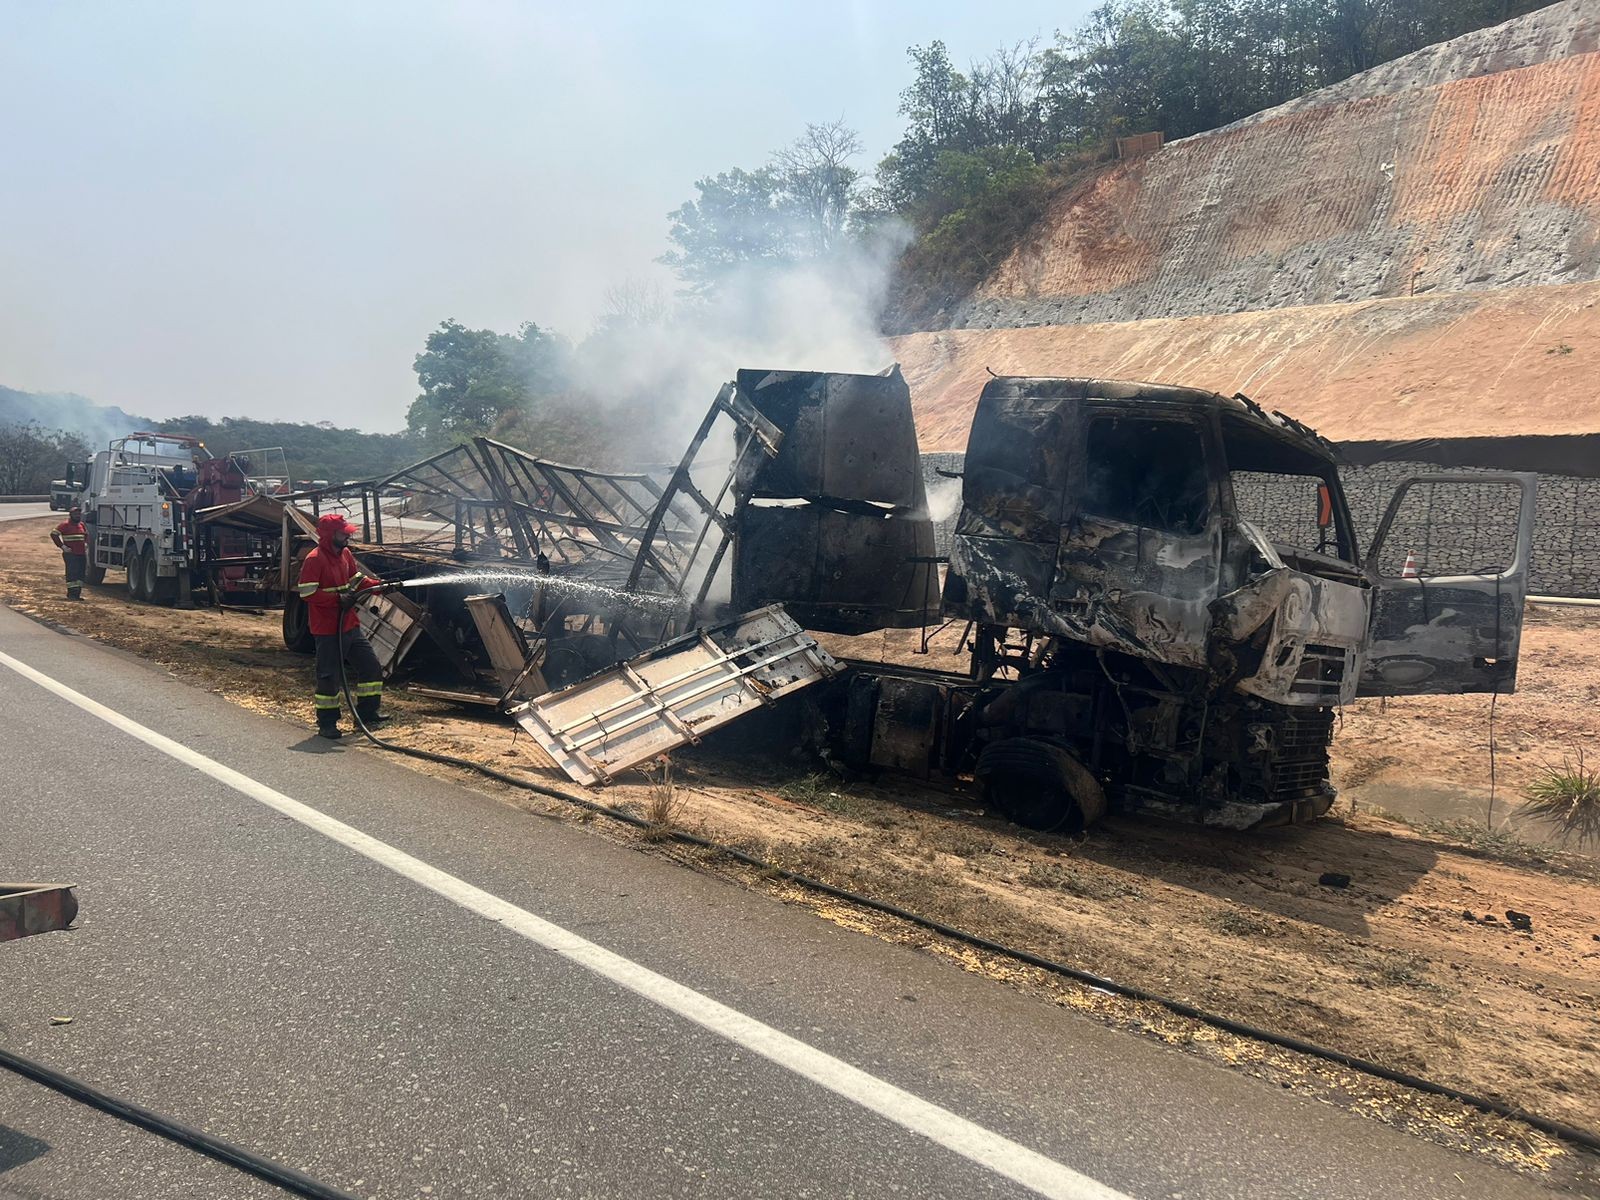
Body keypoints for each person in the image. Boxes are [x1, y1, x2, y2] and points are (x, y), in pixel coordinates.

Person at [296, 513, 385, 739]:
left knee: (371, 666)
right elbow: (307, 592)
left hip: (349, 624)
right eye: (342, 533)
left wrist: (379, 586)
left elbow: (355, 579)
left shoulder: (345, 554)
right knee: (329, 676)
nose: (347, 536)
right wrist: (337, 600)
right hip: (327, 629)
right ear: (328, 535)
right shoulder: (314, 559)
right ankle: (327, 723)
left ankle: (367, 713)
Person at [49, 506, 89, 600]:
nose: (77, 516)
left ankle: (77, 594)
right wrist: (63, 547)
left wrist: (86, 543)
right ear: (71, 515)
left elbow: (86, 534)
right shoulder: (65, 525)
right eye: (75, 514)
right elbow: (54, 534)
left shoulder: (81, 525)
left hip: (81, 554)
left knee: (80, 574)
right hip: (71, 554)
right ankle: (71, 594)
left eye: (79, 514)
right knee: (72, 574)